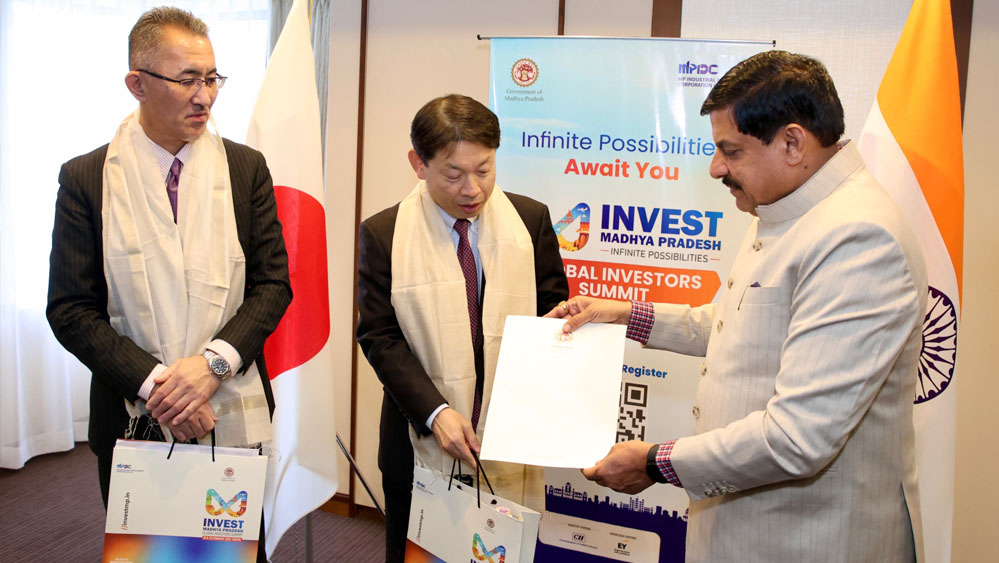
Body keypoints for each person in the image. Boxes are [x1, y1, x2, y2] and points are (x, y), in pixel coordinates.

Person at [548, 51, 927, 562]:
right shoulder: (785, 206)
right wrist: (623, 314)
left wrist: (654, 462)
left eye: (731, 151)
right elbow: (734, 325)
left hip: (807, 541)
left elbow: (797, 437)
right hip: (744, 529)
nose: (715, 168)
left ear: (792, 143)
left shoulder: (857, 237)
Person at [47, 7, 290, 561]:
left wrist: (210, 367)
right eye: (187, 80)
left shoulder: (245, 168)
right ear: (137, 84)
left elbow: (273, 285)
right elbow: (71, 309)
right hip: (131, 413)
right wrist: (164, 388)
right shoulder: (87, 177)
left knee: (234, 554)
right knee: (149, 554)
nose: (205, 97)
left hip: (230, 406)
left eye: (212, 78)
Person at [357, 94, 569, 561]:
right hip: (418, 439)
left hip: (509, 436)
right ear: (418, 164)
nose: (472, 189)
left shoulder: (529, 221)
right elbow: (379, 338)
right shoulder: (384, 233)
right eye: (453, 174)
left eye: (484, 170)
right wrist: (436, 412)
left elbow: (553, 312)